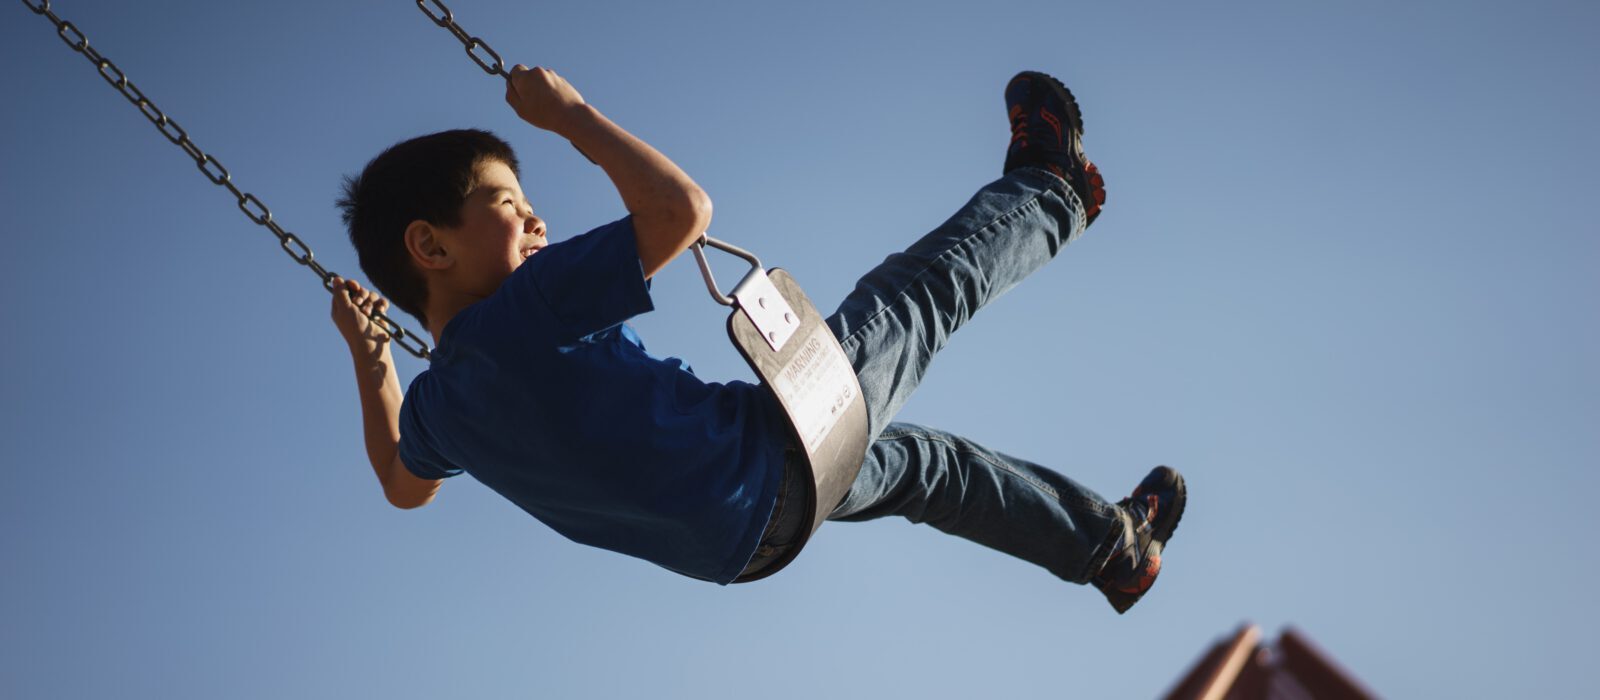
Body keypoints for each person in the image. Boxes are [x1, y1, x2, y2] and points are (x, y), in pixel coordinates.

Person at [330, 66, 1185, 613]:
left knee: (932, 471)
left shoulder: (439, 405)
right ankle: (1053, 191)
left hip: (743, 543)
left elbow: (404, 485)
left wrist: (374, 364)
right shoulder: (523, 311)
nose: (534, 216)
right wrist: (572, 116)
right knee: (913, 301)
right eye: (508, 203)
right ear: (430, 246)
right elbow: (679, 213)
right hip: (765, 459)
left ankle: (1111, 548)